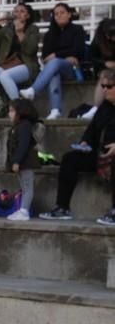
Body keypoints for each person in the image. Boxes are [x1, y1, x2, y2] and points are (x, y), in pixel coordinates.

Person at [40, 69, 115, 223]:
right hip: (99, 153)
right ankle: (62, 207)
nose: (105, 90)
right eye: (103, 86)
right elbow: (92, 129)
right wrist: (85, 142)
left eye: (110, 86)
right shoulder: (105, 107)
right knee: (70, 159)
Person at [20, 2, 87, 119]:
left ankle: (33, 90)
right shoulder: (50, 34)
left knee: (55, 62)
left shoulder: (77, 29)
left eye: (62, 13)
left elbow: (78, 50)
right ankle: (55, 110)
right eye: (56, 14)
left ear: (69, 14)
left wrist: (56, 54)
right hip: (55, 68)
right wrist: (65, 55)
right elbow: (45, 56)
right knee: (54, 72)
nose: (59, 16)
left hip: (71, 69)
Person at [0, 3, 41, 113]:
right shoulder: (8, 29)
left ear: (28, 16)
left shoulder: (33, 29)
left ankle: (19, 108)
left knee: (4, 76)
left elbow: (30, 50)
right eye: (16, 11)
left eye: (22, 11)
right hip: (8, 63)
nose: (18, 14)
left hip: (26, 65)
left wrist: (20, 32)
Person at [4, 99, 42, 221]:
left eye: (11, 111)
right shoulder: (18, 126)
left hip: (26, 162)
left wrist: (16, 161)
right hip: (22, 163)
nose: (9, 114)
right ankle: (22, 209)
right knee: (24, 187)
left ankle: (24, 211)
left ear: (20, 112)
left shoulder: (25, 126)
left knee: (27, 187)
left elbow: (23, 145)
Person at [81, 18, 115, 120]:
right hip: (104, 69)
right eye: (112, 36)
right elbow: (91, 58)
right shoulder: (99, 39)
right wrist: (105, 63)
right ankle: (96, 107)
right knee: (105, 76)